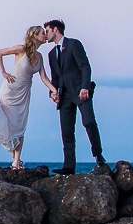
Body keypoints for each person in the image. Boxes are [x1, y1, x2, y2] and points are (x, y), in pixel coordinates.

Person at [0, 25, 58, 169]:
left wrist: (54, 90)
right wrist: (4, 72)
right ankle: (14, 158)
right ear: (34, 36)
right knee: (9, 124)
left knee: (20, 126)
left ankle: (16, 161)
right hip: (10, 91)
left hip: (24, 94)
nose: (45, 35)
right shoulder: (21, 49)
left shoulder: (39, 56)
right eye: (43, 33)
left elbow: (43, 77)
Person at [44, 19, 105, 173]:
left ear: (55, 29)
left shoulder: (73, 44)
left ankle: (98, 156)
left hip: (80, 91)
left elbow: (85, 66)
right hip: (64, 96)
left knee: (89, 122)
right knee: (66, 132)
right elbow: (55, 78)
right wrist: (53, 92)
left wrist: (85, 86)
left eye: (47, 31)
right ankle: (69, 166)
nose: (46, 35)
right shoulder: (51, 54)